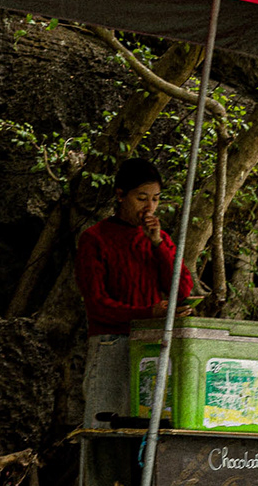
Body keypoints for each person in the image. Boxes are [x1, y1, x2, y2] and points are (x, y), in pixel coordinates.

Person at [75, 157, 194, 426]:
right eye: (141, 198)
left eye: (155, 199)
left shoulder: (157, 239)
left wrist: (158, 245)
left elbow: (184, 287)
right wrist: (148, 312)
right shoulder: (95, 239)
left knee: (148, 428)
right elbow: (97, 305)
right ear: (120, 195)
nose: (149, 207)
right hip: (110, 344)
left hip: (151, 345)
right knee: (105, 427)